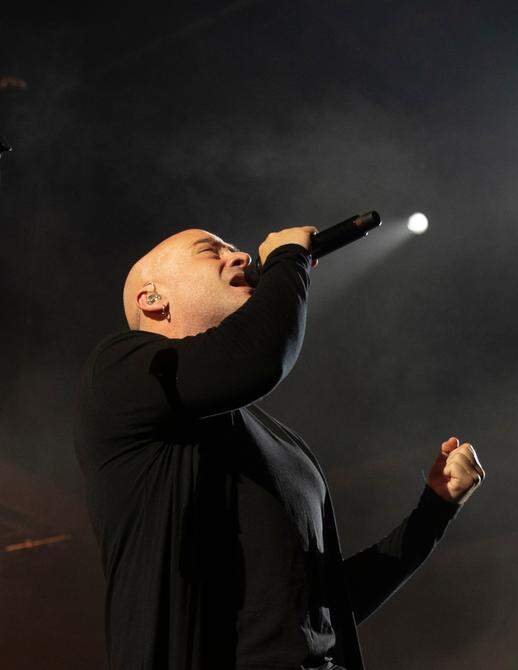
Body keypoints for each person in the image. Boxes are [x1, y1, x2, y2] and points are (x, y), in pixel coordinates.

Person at [73, 227, 485, 670]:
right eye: (211, 251)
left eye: (236, 249)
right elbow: (258, 357)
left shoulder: (282, 443)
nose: (242, 258)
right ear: (152, 299)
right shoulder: (120, 372)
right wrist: (288, 257)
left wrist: (435, 509)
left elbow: (326, 610)